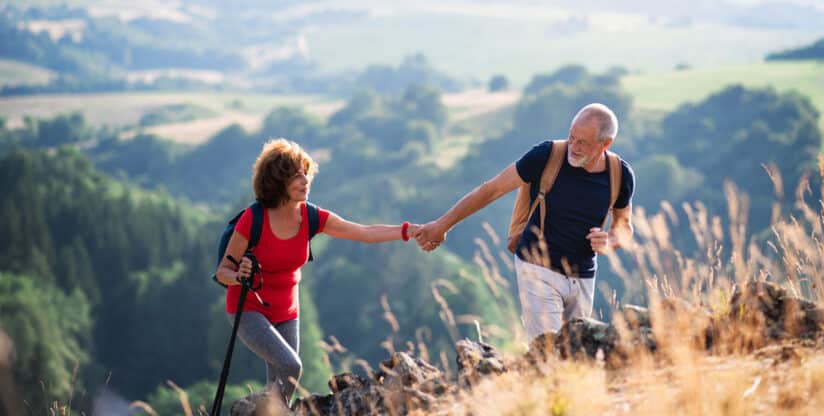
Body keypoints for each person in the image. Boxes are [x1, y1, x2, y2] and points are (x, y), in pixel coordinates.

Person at [215, 138, 418, 405]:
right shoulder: (253, 219)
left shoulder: (311, 217)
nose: (305, 180)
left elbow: (365, 233)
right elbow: (222, 272)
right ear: (278, 181)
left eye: (305, 173)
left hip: (288, 312)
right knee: (291, 367)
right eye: (296, 175)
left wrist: (409, 231)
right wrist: (239, 276)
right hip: (250, 311)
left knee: (281, 389)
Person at [415, 103, 635, 340]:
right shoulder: (546, 156)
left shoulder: (619, 174)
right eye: (571, 136)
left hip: (583, 277)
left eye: (583, 142)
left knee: (576, 357)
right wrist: (442, 225)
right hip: (537, 268)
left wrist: (610, 241)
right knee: (548, 351)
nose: (574, 146)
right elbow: (491, 190)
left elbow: (624, 226)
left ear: (605, 144)